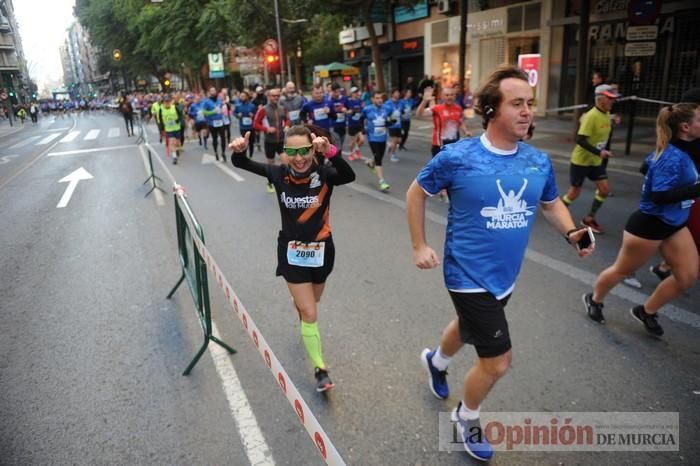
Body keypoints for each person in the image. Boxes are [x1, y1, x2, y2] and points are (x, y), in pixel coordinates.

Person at [406, 64, 594, 462]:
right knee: (497, 360)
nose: (527, 112)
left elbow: (549, 202)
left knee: (467, 326)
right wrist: (420, 245)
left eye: (530, 104)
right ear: (491, 110)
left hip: (504, 276)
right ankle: (466, 415)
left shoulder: (537, 162)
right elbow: (416, 193)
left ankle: (435, 361)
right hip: (465, 273)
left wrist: (572, 232)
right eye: (516, 104)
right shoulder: (457, 157)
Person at [229, 125, 355, 393]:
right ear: (284, 152)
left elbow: (348, 174)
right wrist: (240, 151)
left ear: (312, 149)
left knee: (313, 302)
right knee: (310, 313)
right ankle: (321, 369)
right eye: (292, 151)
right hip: (292, 254)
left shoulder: (325, 175)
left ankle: (301, 306)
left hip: (322, 253)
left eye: (304, 151)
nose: (298, 158)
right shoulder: (278, 174)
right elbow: (243, 163)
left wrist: (331, 152)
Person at [583, 103, 700, 336]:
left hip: (675, 224)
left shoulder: (677, 149)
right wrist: (695, 189)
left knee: (686, 276)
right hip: (649, 226)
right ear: (686, 127)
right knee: (621, 270)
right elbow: (658, 195)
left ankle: (646, 311)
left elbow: (644, 167)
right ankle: (594, 299)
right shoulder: (672, 156)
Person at [648, 87, 700, 281]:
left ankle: (665, 268)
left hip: (685, 199)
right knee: (632, 256)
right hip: (658, 213)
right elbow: (657, 195)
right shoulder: (673, 152)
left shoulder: (689, 139)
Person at [560, 84, 620, 234]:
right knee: (574, 192)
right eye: (610, 99)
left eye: (613, 99)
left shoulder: (606, 114)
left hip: (595, 161)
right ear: (600, 99)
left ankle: (588, 219)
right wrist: (599, 152)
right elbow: (580, 139)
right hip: (581, 160)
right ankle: (559, 212)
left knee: (604, 190)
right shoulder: (591, 116)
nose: (613, 102)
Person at [416, 84, 471, 158]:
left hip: (453, 144)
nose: (449, 97)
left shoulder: (458, 108)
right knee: (439, 168)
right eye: (447, 95)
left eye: (452, 95)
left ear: (455, 96)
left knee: (451, 167)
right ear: (442, 96)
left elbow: (460, 121)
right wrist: (424, 101)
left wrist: (466, 131)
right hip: (439, 144)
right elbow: (419, 115)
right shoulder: (437, 108)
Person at [253, 88, 288, 193]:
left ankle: (287, 180)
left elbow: (287, 119)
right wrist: (266, 129)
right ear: (268, 97)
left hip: (281, 140)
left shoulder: (282, 108)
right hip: (270, 141)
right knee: (271, 165)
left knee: (286, 162)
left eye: (277, 95)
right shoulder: (263, 110)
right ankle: (270, 182)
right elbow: (255, 124)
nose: (276, 97)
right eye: (273, 96)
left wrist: (287, 125)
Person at [362, 91, 391, 192]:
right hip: (372, 138)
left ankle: (370, 163)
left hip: (383, 137)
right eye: (377, 98)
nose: (380, 100)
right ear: (372, 99)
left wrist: (390, 122)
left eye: (381, 98)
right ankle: (382, 181)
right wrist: (362, 132)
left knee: (378, 156)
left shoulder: (386, 109)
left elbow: (387, 121)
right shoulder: (367, 109)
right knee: (378, 158)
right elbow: (361, 119)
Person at [201, 87, 227, 162]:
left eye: (214, 90)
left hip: (220, 121)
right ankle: (216, 152)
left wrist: (222, 111)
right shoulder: (207, 101)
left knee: (223, 138)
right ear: (209, 92)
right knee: (215, 139)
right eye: (211, 91)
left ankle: (223, 153)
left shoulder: (219, 100)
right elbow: (204, 112)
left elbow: (222, 108)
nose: (213, 92)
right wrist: (213, 112)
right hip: (212, 123)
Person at [158, 94, 183, 164]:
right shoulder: (161, 109)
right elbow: (160, 119)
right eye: (166, 101)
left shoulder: (174, 107)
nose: (167, 103)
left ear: (170, 101)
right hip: (169, 129)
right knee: (172, 143)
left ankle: (177, 149)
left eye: (168, 101)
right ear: (163, 102)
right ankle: (174, 157)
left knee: (177, 143)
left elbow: (181, 115)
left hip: (177, 128)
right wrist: (162, 130)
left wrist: (178, 120)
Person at [382, 89, 404, 162]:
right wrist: (388, 119)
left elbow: (401, 112)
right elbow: (384, 114)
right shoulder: (388, 104)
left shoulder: (400, 102)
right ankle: (392, 155)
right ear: (392, 94)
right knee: (395, 141)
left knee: (399, 141)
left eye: (398, 93)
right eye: (396, 93)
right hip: (392, 125)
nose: (398, 94)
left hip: (399, 125)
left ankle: (390, 146)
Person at [234, 90, 256, 159]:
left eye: (243, 96)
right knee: (244, 142)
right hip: (243, 127)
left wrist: (253, 115)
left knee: (251, 142)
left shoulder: (252, 105)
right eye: (241, 96)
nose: (242, 97)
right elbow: (234, 113)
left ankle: (251, 155)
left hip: (251, 127)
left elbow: (256, 114)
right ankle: (245, 155)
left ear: (247, 97)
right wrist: (238, 115)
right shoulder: (238, 106)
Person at [346, 86, 365, 160]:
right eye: (355, 92)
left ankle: (356, 149)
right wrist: (349, 112)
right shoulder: (349, 101)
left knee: (362, 140)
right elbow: (346, 111)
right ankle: (351, 154)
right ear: (352, 93)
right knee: (353, 142)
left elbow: (362, 110)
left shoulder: (360, 101)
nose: (357, 93)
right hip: (352, 124)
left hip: (359, 124)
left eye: (357, 92)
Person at [329, 82, 349, 152]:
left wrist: (346, 110)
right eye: (335, 92)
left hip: (342, 125)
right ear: (332, 91)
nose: (337, 93)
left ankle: (336, 157)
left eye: (338, 91)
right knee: (337, 145)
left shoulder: (344, 99)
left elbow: (349, 110)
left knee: (341, 144)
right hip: (333, 125)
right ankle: (337, 159)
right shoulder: (329, 100)